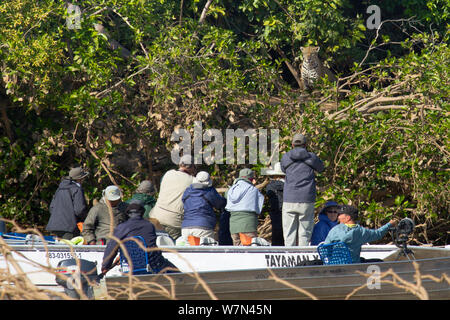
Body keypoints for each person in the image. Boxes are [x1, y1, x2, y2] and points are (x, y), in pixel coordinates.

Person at [101, 200, 178, 275]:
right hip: (153, 264)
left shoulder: (121, 228)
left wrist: (105, 266)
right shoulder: (149, 226)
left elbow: (111, 247)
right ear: (142, 213)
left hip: (131, 265)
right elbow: (148, 246)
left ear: (128, 213)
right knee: (177, 272)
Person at [280, 133, 324, 246]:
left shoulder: (286, 157)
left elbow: (283, 169)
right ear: (306, 145)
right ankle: (303, 259)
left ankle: (289, 258)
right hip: (306, 199)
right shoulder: (312, 157)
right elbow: (321, 168)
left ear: (292, 144)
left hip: (289, 198)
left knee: (289, 233)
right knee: (305, 233)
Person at [324, 205, 398, 263]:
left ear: (348, 218)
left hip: (333, 264)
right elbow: (378, 234)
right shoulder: (361, 232)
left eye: (340, 214)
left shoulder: (334, 230)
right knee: (378, 261)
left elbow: (325, 249)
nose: (338, 216)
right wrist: (389, 224)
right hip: (353, 265)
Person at [149, 155, 196, 240]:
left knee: (155, 246)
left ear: (179, 165)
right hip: (174, 222)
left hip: (155, 217)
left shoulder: (168, 173)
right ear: (192, 167)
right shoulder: (193, 181)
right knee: (172, 250)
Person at [181, 171, 227, 241]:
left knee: (189, 251)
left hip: (186, 227)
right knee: (206, 251)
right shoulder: (209, 191)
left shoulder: (188, 191)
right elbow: (220, 203)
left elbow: (183, 201)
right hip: (203, 226)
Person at [46, 167, 89, 240]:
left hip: (55, 226)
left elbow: (52, 208)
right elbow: (79, 210)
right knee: (69, 249)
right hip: (69, 228)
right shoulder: (77, 189)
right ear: (79, 179)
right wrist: (87, 219)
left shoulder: (59, 189)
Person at [225, 168, 264, 246]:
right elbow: (259, 207)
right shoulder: (254, 190)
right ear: (250, 179)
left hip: (234, 225)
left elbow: (226, 197)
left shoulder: (232, 189)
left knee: (237, 250)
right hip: (248, 224)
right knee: (249, 249)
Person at [265, 162, 285, 246]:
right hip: (287, 212)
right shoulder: (290, 186)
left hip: (275, 214)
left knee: (276, 237)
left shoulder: (270, 186)